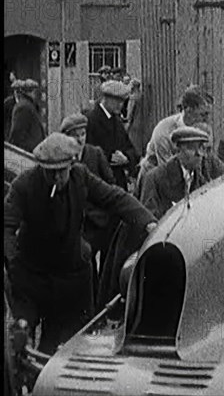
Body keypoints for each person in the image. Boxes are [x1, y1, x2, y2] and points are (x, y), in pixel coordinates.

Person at [4, 133, 157, 354]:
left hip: (69, 275)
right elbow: (6, 226)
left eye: (62, 171)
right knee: (21, 339)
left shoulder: (81, 177)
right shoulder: (24, 186)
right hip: (31, 277)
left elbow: (115, 197)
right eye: (51, 172)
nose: (57, 178)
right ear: (41, 168)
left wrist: (148, 223)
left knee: (66, 343)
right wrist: (13, 263)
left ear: (72, 165)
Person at [60, 113, 117, 300]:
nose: (79, 139)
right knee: (87, 266)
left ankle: (102, 303)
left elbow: (110, 183)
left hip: (100, 221)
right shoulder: (63, 160)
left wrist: (104, 212)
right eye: (74, 135)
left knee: (107, 267)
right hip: (79, 225)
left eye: (83, 134)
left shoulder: (95, 153)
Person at [142, 127, 224, 220]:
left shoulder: (201, 178)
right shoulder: (155, 178)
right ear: (178, 151)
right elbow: (149, 220)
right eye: (191, 148)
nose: (199, 154)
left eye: (200, 148)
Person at [138, 85, 214, 185]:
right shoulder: (164, 132)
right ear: (188, 111)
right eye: (203, 114)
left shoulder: (205, 129)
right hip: (154, 184)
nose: (207, 120)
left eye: (209, 114)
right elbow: (167, 173)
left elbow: (209, 162)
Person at [84, 80, 139, 190]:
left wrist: (126, 158)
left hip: (118, 182)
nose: (121, 105)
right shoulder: (91, 120)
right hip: (98, 184)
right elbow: (87, 153)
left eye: (123, 101)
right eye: (117, 101)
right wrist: (110, 157)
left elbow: (130, 148)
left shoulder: (116, 122)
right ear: (106, 99)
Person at [8, 79, 46, 153]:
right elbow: (16, 136)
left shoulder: (30, 106)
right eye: (36, 91)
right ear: (31, 92)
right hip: (27, 155)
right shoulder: (23, 107)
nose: (39, 95)